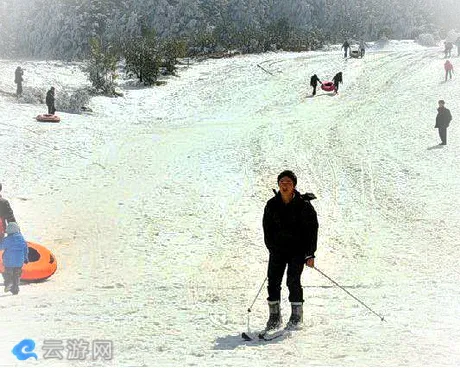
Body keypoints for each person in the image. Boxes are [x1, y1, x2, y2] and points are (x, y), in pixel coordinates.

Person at [262, 170, 318, 331]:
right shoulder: (271, 205)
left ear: (294, 186)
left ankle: (296, 316)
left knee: (293, 281)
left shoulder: (304, 205)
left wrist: (310, 253)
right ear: (278, 184)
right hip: (278, 251)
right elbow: (267, 229)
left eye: (288, 183)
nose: (285, 186)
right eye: (282, 183)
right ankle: (274, 317)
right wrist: (272, 248)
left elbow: (312, 231)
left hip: (297, 252)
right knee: (273, 281)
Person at [0, 222, 28, 295]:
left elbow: (1, 247)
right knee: (16, 275)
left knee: (7, 273)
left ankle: (8, 283)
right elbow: (25, 249)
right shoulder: (21, 239)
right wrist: (26, 258)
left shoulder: (7, 239)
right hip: (19, 262)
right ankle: (15, 290)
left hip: (9, 262)